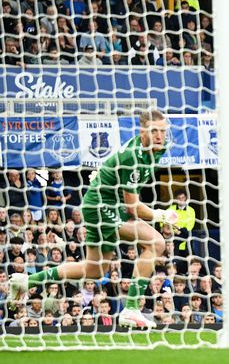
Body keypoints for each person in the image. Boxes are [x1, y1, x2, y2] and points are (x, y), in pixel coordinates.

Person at [8, 110, 178, 329]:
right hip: (101, 205)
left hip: (107, 205)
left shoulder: (158, 150)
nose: (159, 136)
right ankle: (132, 309)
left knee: (94, 269)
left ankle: (25, 281)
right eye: (154, 131)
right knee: (156, 242)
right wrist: (160, 214)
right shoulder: (132, 156)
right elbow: (133, 206)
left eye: (163, 131)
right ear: (141, 131)